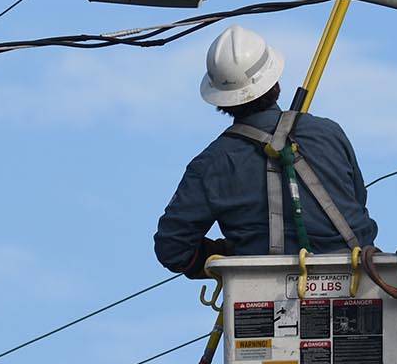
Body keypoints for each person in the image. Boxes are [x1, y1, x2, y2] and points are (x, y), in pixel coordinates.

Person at [155, 25, 379, 276]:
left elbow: (172, 248)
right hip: (359, 285)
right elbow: (357, 202)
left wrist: (228, 259)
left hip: (261, 299)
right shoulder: (329, 133)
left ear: (220, 99)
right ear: (275, 81)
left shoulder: (211, 165)